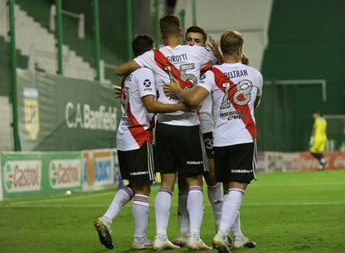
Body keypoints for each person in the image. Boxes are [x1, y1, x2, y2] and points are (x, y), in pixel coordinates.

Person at [115, 16, 220, 250]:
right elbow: (220, 62)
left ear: (161, 35)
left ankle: (160, 236)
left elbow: (120, 69)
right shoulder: (197, 52)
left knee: (166, 183)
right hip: (190, 125)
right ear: (181, 32)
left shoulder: (153, 55)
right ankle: (193, 236)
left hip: (164, 126)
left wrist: (131, 83)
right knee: (194, 181)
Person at [164, 30, 263, 253]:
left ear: (221, 50)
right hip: (243, 136)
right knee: (237, 188)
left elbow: (192, 99)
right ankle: (221, 234)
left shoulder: (212, 73)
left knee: (226, 188)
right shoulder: (255, 75)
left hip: (219, 138)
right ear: (240, 49)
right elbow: (254, 104)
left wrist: (179, 90)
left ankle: (236, 236)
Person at [94, 35, 194, 250]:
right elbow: (150, 105)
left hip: (125, 135)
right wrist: (181, 107)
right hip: (139, 135)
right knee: (144, 188)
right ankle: (138, 239)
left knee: (136, 185)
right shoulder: (145, 72)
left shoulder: (129, 76)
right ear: (150, 51)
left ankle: (107, 219)